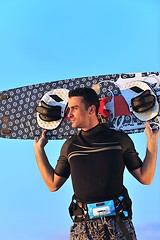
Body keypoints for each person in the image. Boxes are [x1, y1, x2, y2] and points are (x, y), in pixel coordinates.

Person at [34, 87, 160, 240]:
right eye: (69, 109)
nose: (69, 114)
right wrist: (39, 150)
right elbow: (53, 184)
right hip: (83, 227)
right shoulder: (70, 146)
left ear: (91, 109)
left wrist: (152, 143)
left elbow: (145, 177)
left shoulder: (119, 139)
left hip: (118, 223)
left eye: (74, 108)